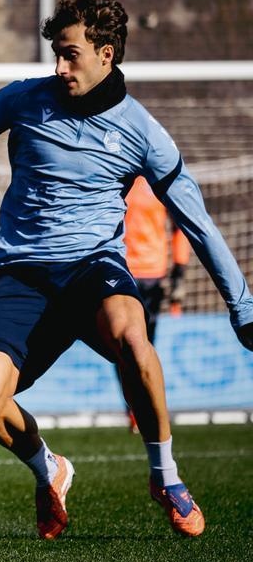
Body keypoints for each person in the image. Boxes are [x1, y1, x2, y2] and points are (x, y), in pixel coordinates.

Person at [0, 0, 253, 539]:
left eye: (70, 55)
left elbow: (197, 223)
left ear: (106, 54)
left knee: (134, 341)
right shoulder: (25, 101)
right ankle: (49, 468)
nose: (58, 67)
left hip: (93, 268)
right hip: (22, 273)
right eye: (55, 54)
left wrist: (242, 308)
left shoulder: (142, 132)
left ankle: (165, 475)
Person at [119, 176, 190, 431]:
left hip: (153, 276)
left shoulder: (158, 178)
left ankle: (150, 408)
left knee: (147, 345)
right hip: (121, 271)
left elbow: (180, 226)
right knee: (123, 346)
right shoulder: (117, 174)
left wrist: (179, 272)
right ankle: (135, 412)